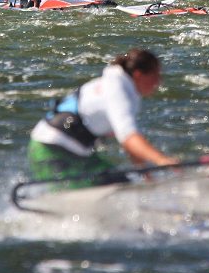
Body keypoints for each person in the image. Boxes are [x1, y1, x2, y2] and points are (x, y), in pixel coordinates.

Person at [27, 49, 177, 185]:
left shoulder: (126, 90)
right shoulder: (118, 91)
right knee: (106, 191)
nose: (159, 82)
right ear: (138, 75)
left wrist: (147, 176)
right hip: (50, 149)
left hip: (71, 151)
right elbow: (129, 137)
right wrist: (161, 160)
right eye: (155, 76)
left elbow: (130, 144)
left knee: (122, 184)